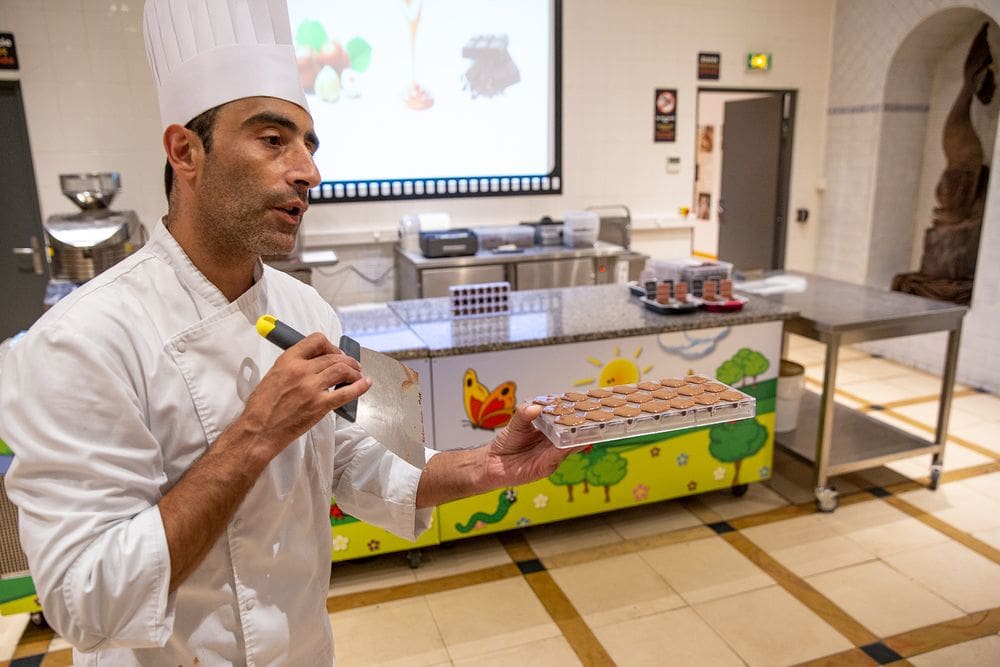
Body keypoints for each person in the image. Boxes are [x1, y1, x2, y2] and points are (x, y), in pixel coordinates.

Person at [0, 1, 574, 664]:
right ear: (185, 152)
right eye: (273, 140)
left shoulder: (309, 309)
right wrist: (256, 433)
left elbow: (352, 459)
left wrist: (485, 465)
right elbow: (84, 601)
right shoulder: (79, 342)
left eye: (309, 145)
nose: (308, 171)